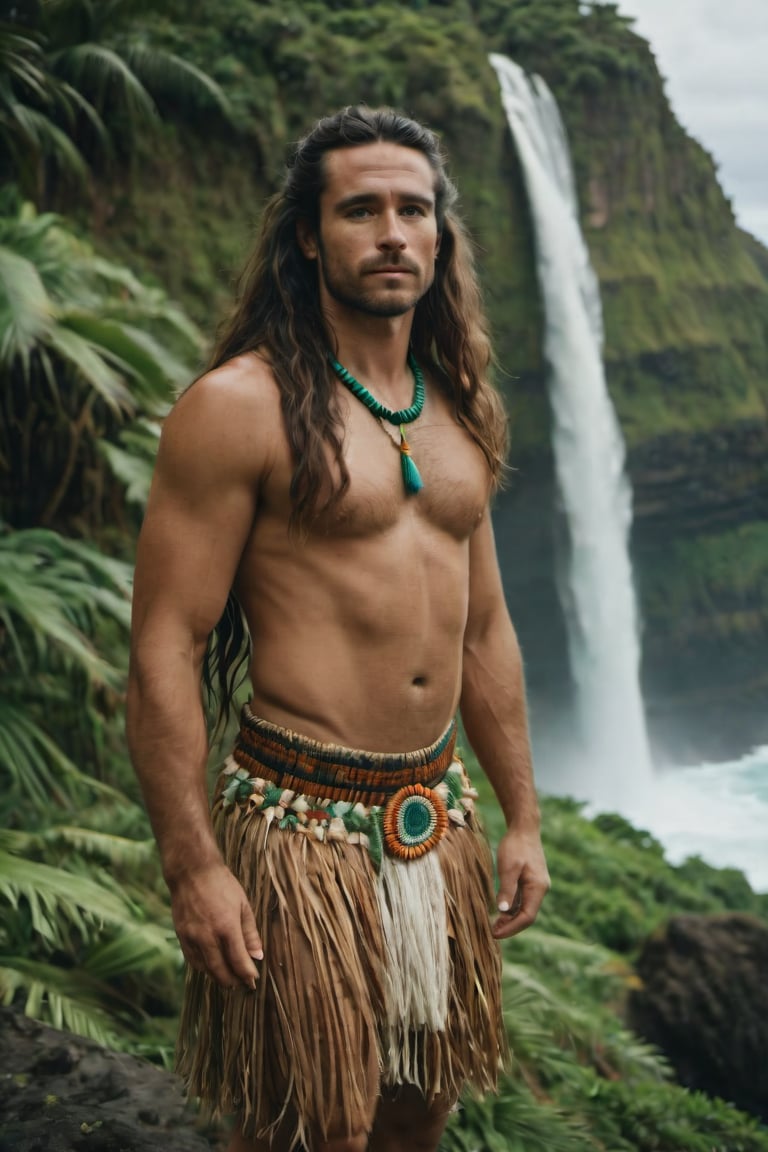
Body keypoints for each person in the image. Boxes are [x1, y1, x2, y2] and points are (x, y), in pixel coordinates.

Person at [126, 105, 549, 1152]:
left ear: (441, 234)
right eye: (361, 210)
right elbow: (165, 645)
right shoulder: (240, 406)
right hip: (298, 826)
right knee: (310, 1124)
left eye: (414, 208)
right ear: (310, 237)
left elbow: (485, 630)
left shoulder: (459, 406)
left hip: (435, 819)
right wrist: (192, 867)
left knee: (417, 1115)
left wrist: (523, 817)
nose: (393, 232)